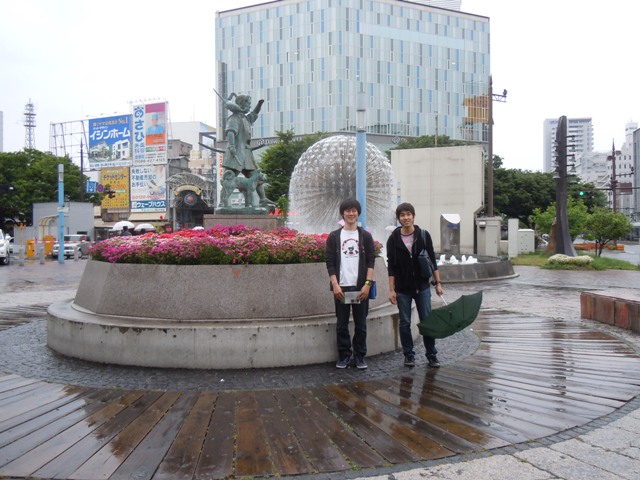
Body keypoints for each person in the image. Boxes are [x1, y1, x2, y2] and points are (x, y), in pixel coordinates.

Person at [386, 202, 444, 368]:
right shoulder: (393, 239)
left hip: (422, 287)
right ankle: (409, 355)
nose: (406, 218)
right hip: (402, 289)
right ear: (398, 218)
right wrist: (391, 289)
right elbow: (392, 266)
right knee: (405, 323)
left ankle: (431, 354)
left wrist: (438, 283)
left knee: (427, 321)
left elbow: (432, 260)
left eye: (408, 214)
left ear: (413, 216)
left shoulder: (423, 235)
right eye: (402, 215)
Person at [325, 198, 376, 370]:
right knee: (342, 324)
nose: (351, 213)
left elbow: (371, 261)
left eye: (354, 210)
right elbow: (330, 262)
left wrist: (367, 284)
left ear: (358, 213)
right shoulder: (334, 236)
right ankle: (344, 355)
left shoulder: (365, 236)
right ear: (342, 213)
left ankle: (360, 356)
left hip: (361, 288)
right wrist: (335, 284)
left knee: (361, 324)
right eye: (347, 210)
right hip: (341, 288)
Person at [223, 93, 264, 177]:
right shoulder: (234, 118)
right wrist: (232, 146)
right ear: (242, 104)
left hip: (247, 153)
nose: (250, 106)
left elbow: (254, 113)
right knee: (230, 177)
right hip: (237, 151)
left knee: (255, 177)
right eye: (248, 103)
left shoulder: (246, 118)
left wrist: (259, 105)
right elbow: (230, 132)